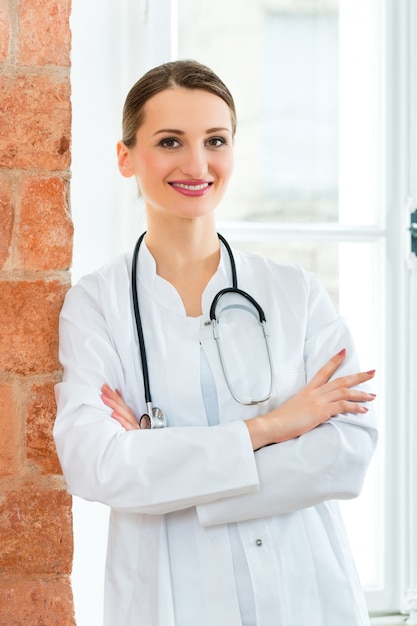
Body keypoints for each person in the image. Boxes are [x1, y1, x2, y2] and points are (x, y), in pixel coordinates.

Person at [54, 60, 378, 626]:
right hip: (173, 599)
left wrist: (167, 467)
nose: (197, 164)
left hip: (307, 594)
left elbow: (345, 453)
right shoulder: (97, 305)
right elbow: (96, 464)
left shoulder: (292, 292)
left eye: (215, 140)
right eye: (170, 141)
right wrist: (274, 429)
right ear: (126, 156)